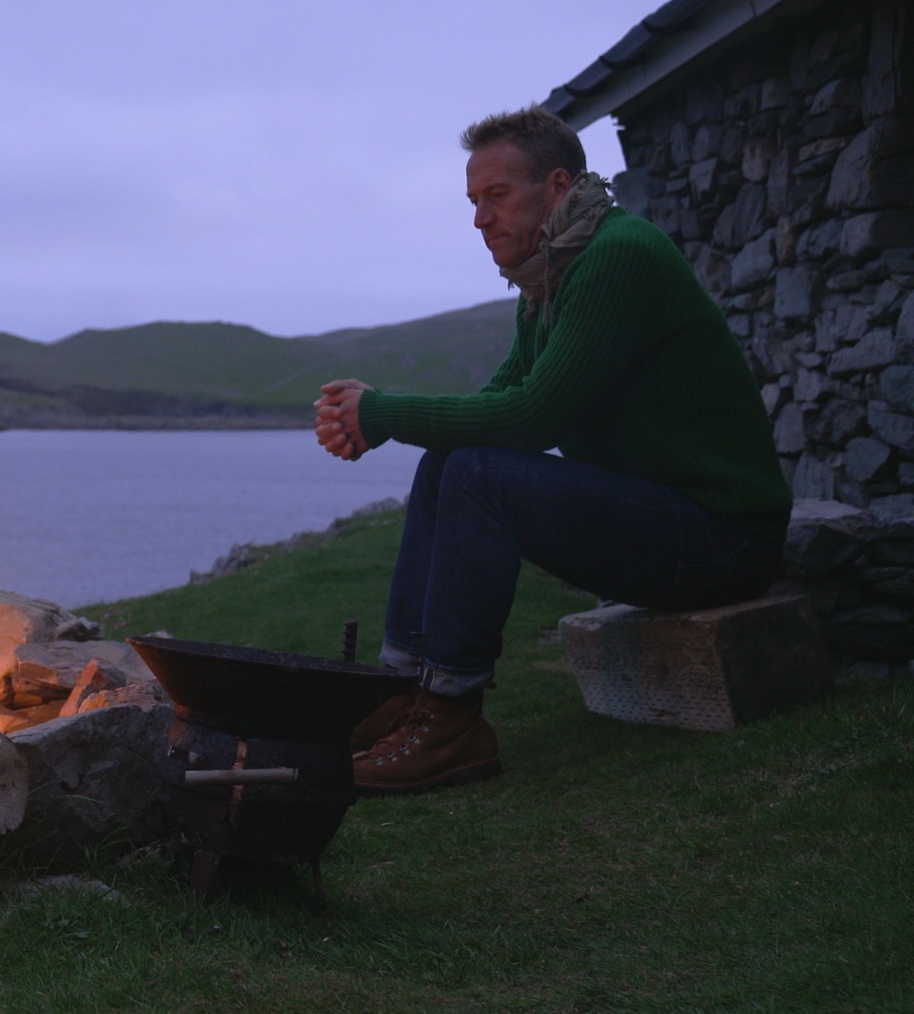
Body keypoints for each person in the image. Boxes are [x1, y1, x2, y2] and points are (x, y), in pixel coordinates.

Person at [312, 105, 791, 795]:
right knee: (448, 461)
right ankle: (403, 693)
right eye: (474, 201)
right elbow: (497, 403)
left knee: (478, 471)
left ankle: (451, 720)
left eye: (498, 196)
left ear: (559, 186)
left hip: (723, 541)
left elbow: (532, 418)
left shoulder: (618, 257)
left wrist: (381, 412)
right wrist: (377, 416)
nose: (481, 219)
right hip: (665, 525)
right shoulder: (550, 279)